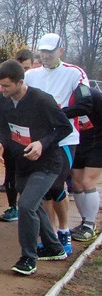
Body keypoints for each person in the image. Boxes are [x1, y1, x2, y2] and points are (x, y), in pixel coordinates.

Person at [0, 60, 72, 275]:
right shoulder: (1, 99)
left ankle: (28, 257)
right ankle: (54, 247)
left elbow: (64, 127)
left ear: (20, 82)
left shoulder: (41, 100)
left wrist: (42, 143)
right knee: (34, 206)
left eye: (6, 86)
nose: (1, 90)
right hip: (21, 163)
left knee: (26, 205)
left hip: (47, 164)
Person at [25, 33, 91, 255]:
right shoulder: (31, 75)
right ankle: (50, 234)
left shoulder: (74, 73)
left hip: (64, 139)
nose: (45, 56)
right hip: (38, 139)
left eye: (50, 52)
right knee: (43, 188)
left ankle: (64, 230)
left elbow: (86, 103)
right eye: (42, 52)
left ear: (60, 51)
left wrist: (57, 114)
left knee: (56, 186)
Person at [0, 49, 37, 221]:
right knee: (11, 177)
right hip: (13, 144)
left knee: (32, 181)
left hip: (34, 145)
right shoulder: (1, 97)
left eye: (27, 68)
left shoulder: (37, 94)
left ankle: (34, 209)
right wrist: (0, 142)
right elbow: (0, 124)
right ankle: (13, 206)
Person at [66, 84, 102, 242]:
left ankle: (90, 224)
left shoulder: (92, 95)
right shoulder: (62, 96)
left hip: (98, 142)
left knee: (88, 181)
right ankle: (84, 221)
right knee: (77, 182)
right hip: (79, 142)